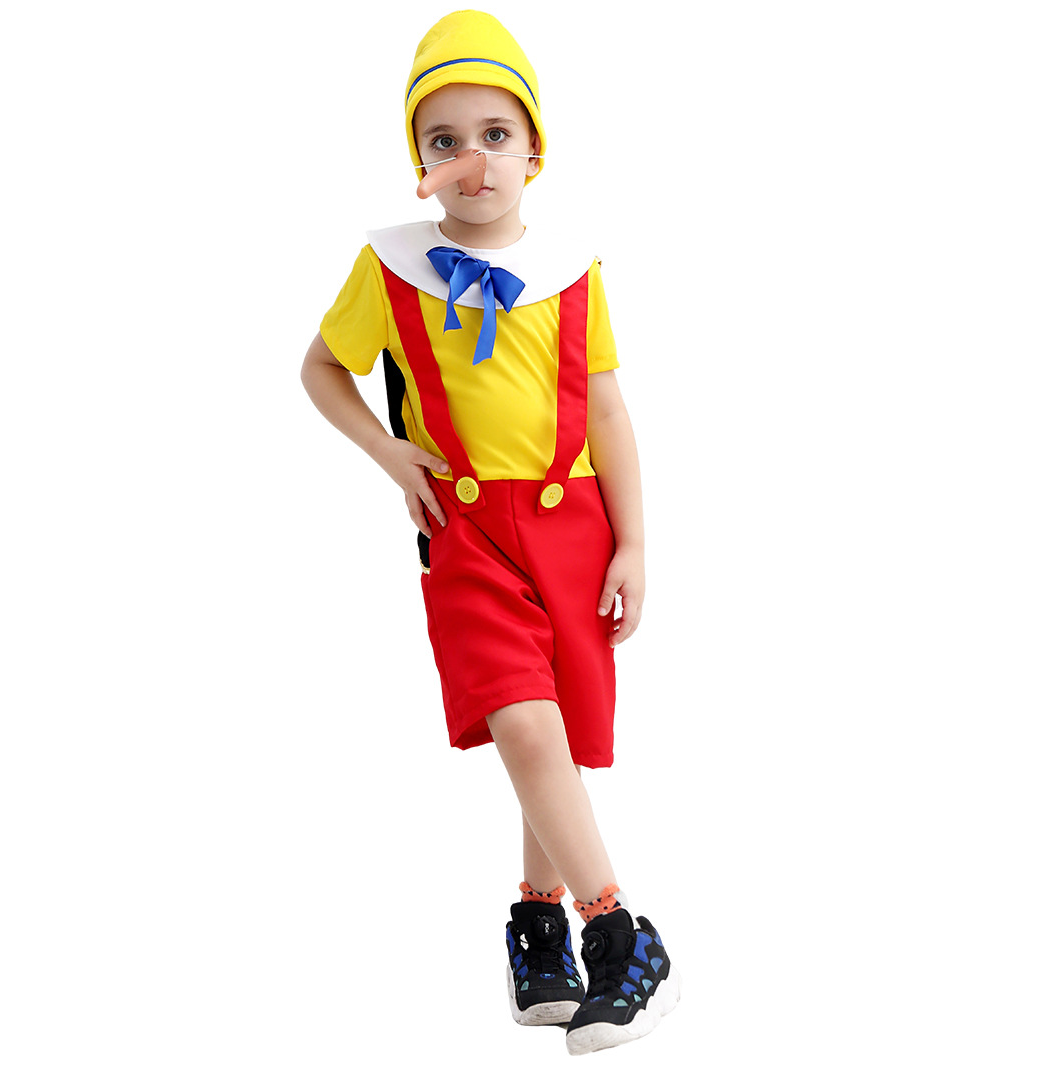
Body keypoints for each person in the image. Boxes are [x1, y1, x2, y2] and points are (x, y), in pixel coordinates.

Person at [300, 10, 680, 1055]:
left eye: (495, 134)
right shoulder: (391, 268)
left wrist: (634, 543)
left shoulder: (571, 269)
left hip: (572, 526)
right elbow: (320, 369)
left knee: (551, 732)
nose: (472, 160)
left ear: (535, 148)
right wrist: (389, 453)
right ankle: (621, 930)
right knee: (519, 721)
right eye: (445, 139)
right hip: (463, 531)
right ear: (418, 163)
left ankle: (537, 925)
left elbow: (606, 411)